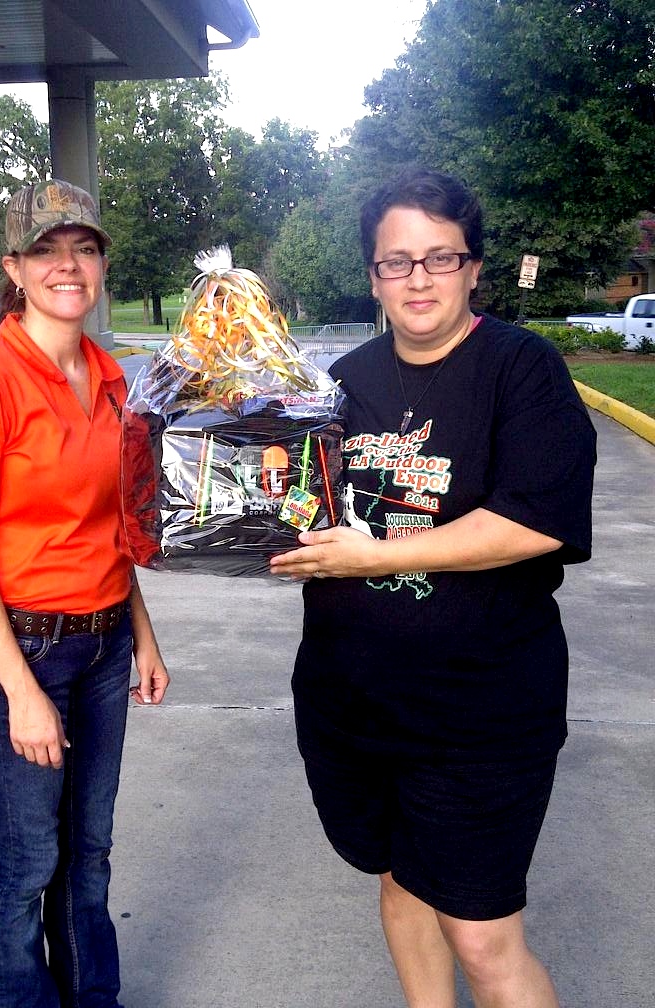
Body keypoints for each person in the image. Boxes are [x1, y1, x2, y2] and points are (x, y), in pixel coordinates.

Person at [269, 167, 596, 1008]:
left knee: (484, 937)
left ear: (473, 268)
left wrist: (372, 557)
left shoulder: (522, 369)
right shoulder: (341, 384)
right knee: (400, 881)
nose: (419, 279)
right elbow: (298, 504)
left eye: (440, 258)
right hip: (352, 705)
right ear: (374, 275)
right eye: (397, 261)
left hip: (479, 714)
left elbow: (533, 521)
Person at [0, 178, 169, 1008]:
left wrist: (142, 634)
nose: (68, 265)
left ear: (101, 263)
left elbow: (115, 526)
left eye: (84, 248)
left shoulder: (111, 378)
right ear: (15, 269)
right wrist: (21, 693)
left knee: (89, 851)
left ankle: (94, 998)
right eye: (46, 250)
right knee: (29, 857)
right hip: (22, 648)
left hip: (104, 645)